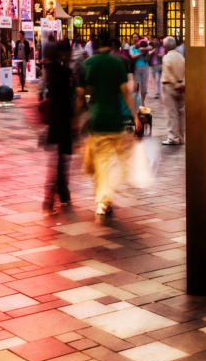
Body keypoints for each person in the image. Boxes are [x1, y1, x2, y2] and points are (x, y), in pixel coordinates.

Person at [83, 30, 140, 222]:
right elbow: (125, 93)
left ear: (95, 44)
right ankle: (104, 201)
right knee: (112, 163)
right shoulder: (116, 63)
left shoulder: (88, 64)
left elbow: (80, 95)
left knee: (100, 163)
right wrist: (136, 116)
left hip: (97, 119)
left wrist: (76, 119)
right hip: (115, 120)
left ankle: (101, 201)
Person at [42, 39, 77, 211]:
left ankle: (63, 195)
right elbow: (66, 99)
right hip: (63, 120)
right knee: (60, 161)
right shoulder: (62, 72)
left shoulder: (52, 70)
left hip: (56, 121)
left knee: (59, 160)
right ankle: (50, 199)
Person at [161, 35, 185, 145]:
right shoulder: (181, 57)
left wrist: (175, 83)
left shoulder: (166, 58)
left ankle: (173, 137)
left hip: (169, 86)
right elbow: (186, 71)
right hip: (182, 86)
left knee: (171, 113)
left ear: (165, 46)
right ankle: (181, 137)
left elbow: (168, 73)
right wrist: (182, 83)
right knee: (181, 113)